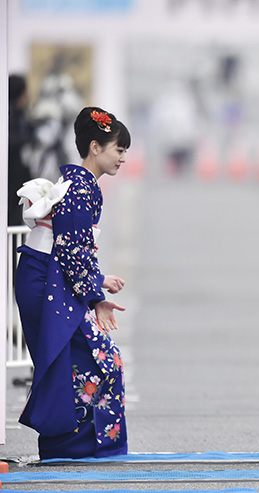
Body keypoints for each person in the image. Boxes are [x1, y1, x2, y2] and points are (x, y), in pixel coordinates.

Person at [15, 106, 131, 460]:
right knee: (102, 359)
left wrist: (98, 289)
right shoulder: (81, 189)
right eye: (119, 149)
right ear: (95, 147)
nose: (123, 158)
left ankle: (68, 445)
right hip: (48, 278)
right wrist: (98, 289)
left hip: (48, 277)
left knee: (73, 361)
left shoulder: (80, 185)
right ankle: (78, 445)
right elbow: (70, 250)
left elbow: (73, 249)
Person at [8, 74, 34, 226]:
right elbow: (14, 141)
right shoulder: (11, 116)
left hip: (18, 176)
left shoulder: (21, 116)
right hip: (12, 176)